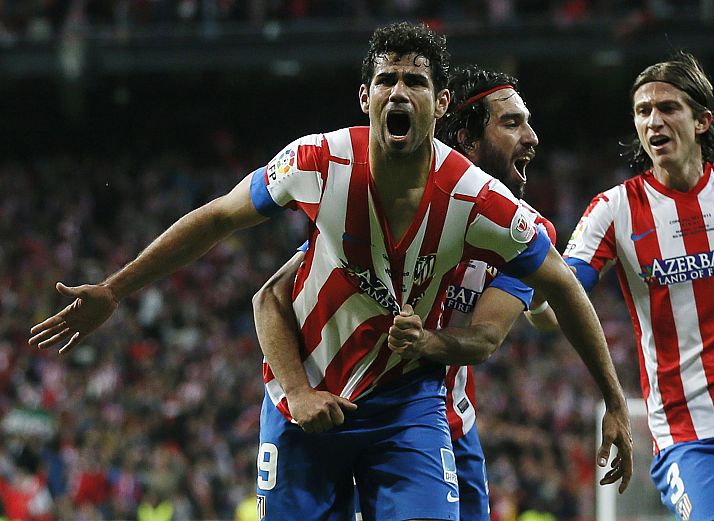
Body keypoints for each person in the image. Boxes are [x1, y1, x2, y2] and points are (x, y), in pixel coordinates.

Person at [30, 22, 630, 520]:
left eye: (415, 81)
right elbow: (219, 223)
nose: (399, 91)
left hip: (406, 403)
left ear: (439, 103)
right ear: (366, 97)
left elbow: (562, 288)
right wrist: (114, 289)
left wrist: (613, 401)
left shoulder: (479, 205)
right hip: (305, 399)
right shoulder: (319, 164)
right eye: (386, 79)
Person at [252, 65, 632, 521]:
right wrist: (296, 389)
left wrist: (427, 342)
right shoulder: (391, 207)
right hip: (348, 412)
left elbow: (487, 338)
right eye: (511, 123)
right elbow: (273, 294)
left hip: (445, 426)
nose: (531, 137)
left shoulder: (522, 235)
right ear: (467, 139)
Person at [563, 51, 714, 521]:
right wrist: (528, 294)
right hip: (688, 434)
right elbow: (563, 293)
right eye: (642, 111)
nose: (653, 120)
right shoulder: (613, 210)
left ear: (702, 120)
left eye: (668, 108)